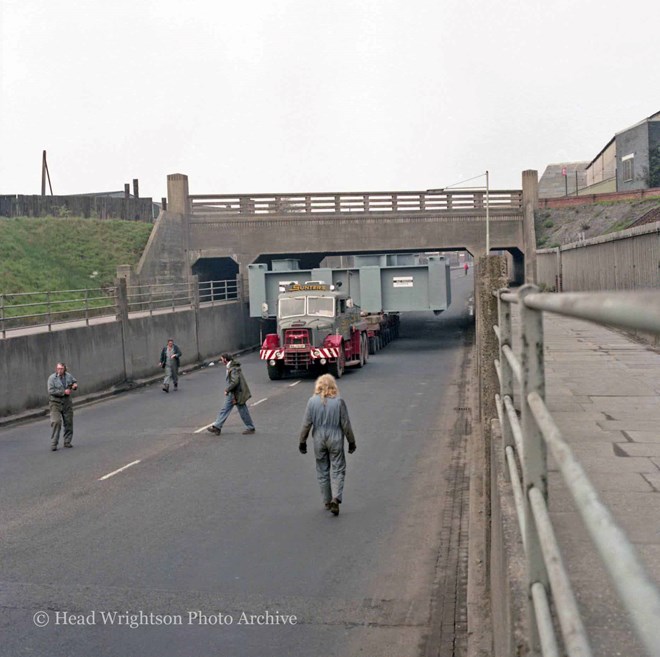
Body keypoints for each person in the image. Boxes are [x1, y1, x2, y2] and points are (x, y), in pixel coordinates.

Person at [298, 374, 356, 516]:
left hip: (318, 439)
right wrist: (351, 441)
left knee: (322, 470)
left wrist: (302, 441)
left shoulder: (312, 402)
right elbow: (346, 424)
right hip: (335, 438)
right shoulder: (339, 402)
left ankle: (326, 500)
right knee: (338, 469)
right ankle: (336, 498)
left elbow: (306, 424)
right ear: (333, 386)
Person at [207, 353, 256, 435]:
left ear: (225, 359)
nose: (221, 361)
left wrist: (227, 389)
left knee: (242, 410)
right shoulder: (231, 367)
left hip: (236, 393)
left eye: (222, 359)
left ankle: (250, 427)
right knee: (226, 409)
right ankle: (217, 427)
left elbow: (235, 381)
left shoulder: (233, 369)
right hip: (233, 393)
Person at [47, 362, 78, 451]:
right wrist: (63, 392)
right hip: (55, 402)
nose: (59, 370)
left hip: (66, 401)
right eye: (58, 368)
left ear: (65, 369)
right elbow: (51, 391)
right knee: (56, 422)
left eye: (61, 369)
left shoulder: (68, 376)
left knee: (68, 421)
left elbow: (74, 382)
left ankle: (67, 441)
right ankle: (54, 443)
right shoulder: (52, 378)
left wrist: (74, 386)